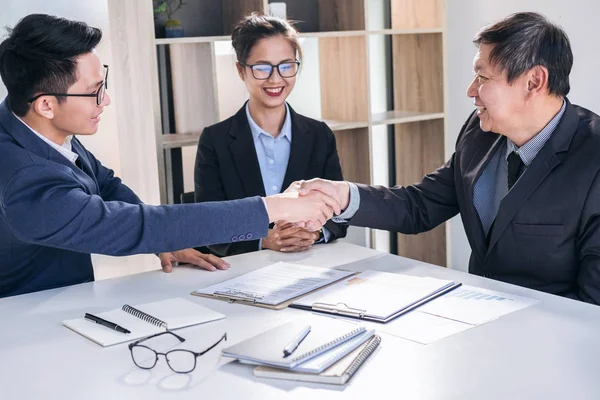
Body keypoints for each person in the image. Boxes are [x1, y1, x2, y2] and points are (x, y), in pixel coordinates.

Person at [0, 14, 339, 298]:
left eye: (104, 84)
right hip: (22, 318)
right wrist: (275, 206)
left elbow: (106, 185)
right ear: (46, 104)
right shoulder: (22, 176)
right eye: (94, 92)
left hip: (59, 303)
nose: (106, 101)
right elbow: (124, 223)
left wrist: (164, 241)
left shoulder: (32, 124)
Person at [293, 12, 600, 304]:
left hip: (556, 342)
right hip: (477, 319)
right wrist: (343, 195)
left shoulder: (593, 157)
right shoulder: (479, 133)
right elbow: (420, 206)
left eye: (482, 77)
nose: (470, 91)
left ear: (534, 82)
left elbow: (593, 303)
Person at [194, 13, 347, 257]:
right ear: (241, 70)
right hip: (245, 272)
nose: (275, 79)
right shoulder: (216, 140)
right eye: (262, 68)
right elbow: (209, 224)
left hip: (312, 263)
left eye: (286, 66)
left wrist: (314, 233)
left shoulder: (320, 136)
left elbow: (339, 213)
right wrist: (262, 240)